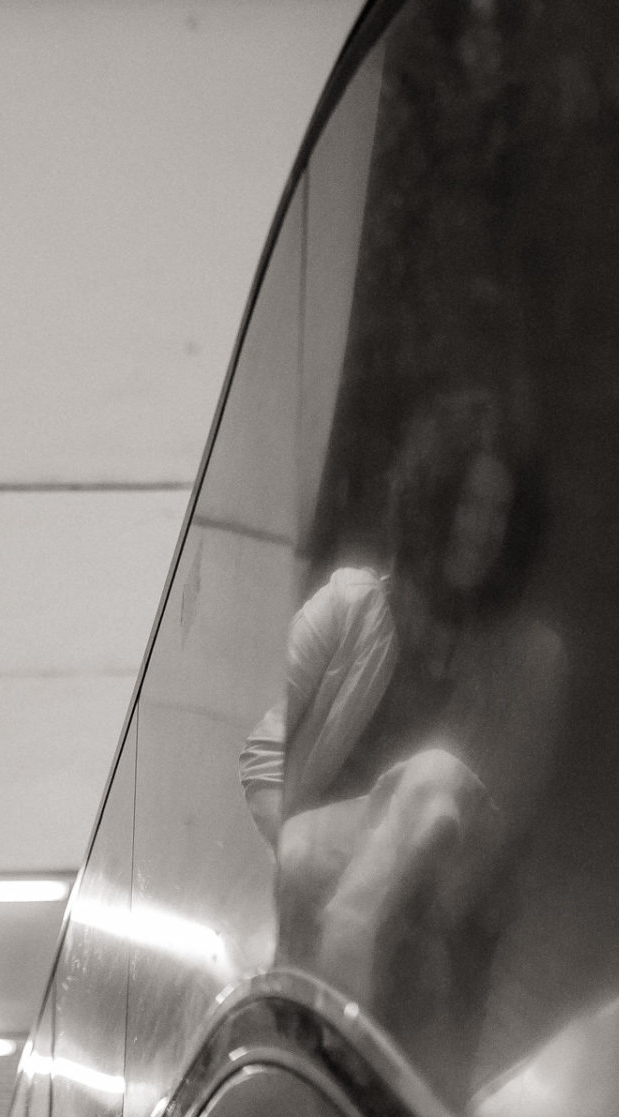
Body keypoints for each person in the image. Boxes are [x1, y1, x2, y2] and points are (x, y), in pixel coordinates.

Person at [240, 386, 563, 1070]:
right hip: (310, 900)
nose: (481, 528)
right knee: (305, 850)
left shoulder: (530, 660)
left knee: (436, 781)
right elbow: (260, 755)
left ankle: (347, 961)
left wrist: (400, 903)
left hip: (434, 936)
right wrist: (291, 856)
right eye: (468, 503)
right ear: (432, 503)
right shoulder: (347, 608)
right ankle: (336, 978)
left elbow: (496, 835)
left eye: (498, 510)